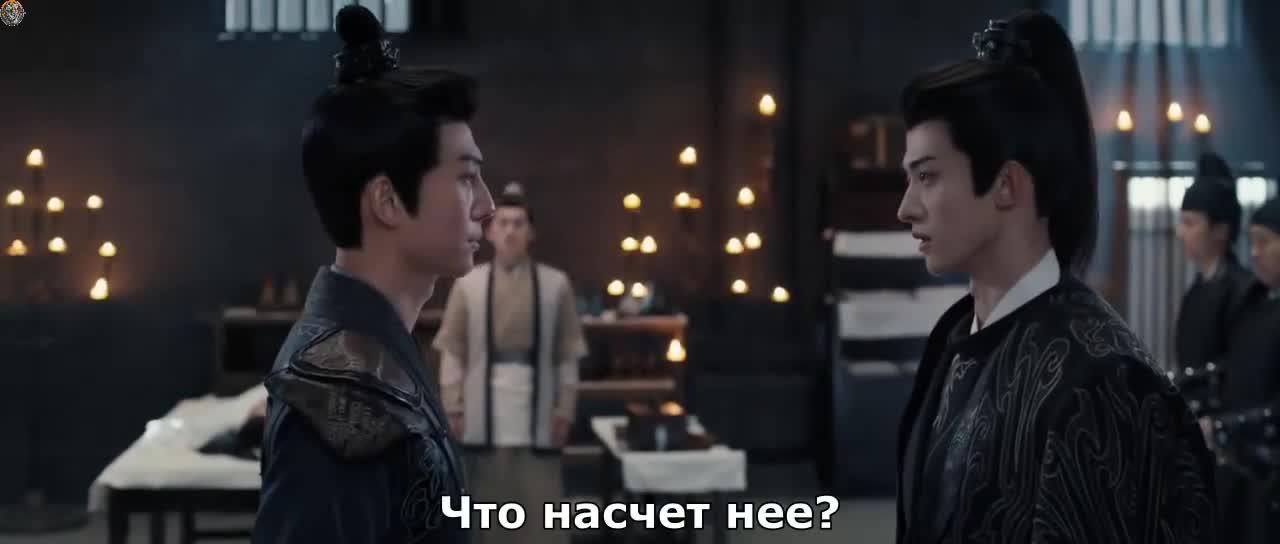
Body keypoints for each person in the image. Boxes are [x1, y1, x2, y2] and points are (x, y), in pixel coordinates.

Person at [893, 11, 1219, 543]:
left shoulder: (1104, 381)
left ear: (1006, 186)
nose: (906, 208)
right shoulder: (954, 340)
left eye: (927, 176)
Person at [252, 5, 495, 543]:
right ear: (387, 201)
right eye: (465, 178)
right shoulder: (339, 398)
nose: (487, 205)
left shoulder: (373, 351)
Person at [434, 182, 587, 544]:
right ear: (490, 231)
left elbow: (566, 354)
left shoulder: (555, 285)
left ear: (531, 232)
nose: (510, 231)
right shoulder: (468, 285)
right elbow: (453, 351)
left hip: (537, 403)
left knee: (540, 508)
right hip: (483, 405)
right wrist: (454, 405)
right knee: (486, 509)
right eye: (503, 223)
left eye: (519, 223)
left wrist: (564, 409)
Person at [1209, 197, 1280, 544]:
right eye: (1251, 242)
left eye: (1264, 242)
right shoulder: (1252, 306)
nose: (1254, 253)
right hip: (1244, 471)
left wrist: (1230, 426)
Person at [1174, 153, 1252, 374]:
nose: (1181, 233)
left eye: (1190, 223)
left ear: (1220, 230)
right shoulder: (1195, 291)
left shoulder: (1245, 292)